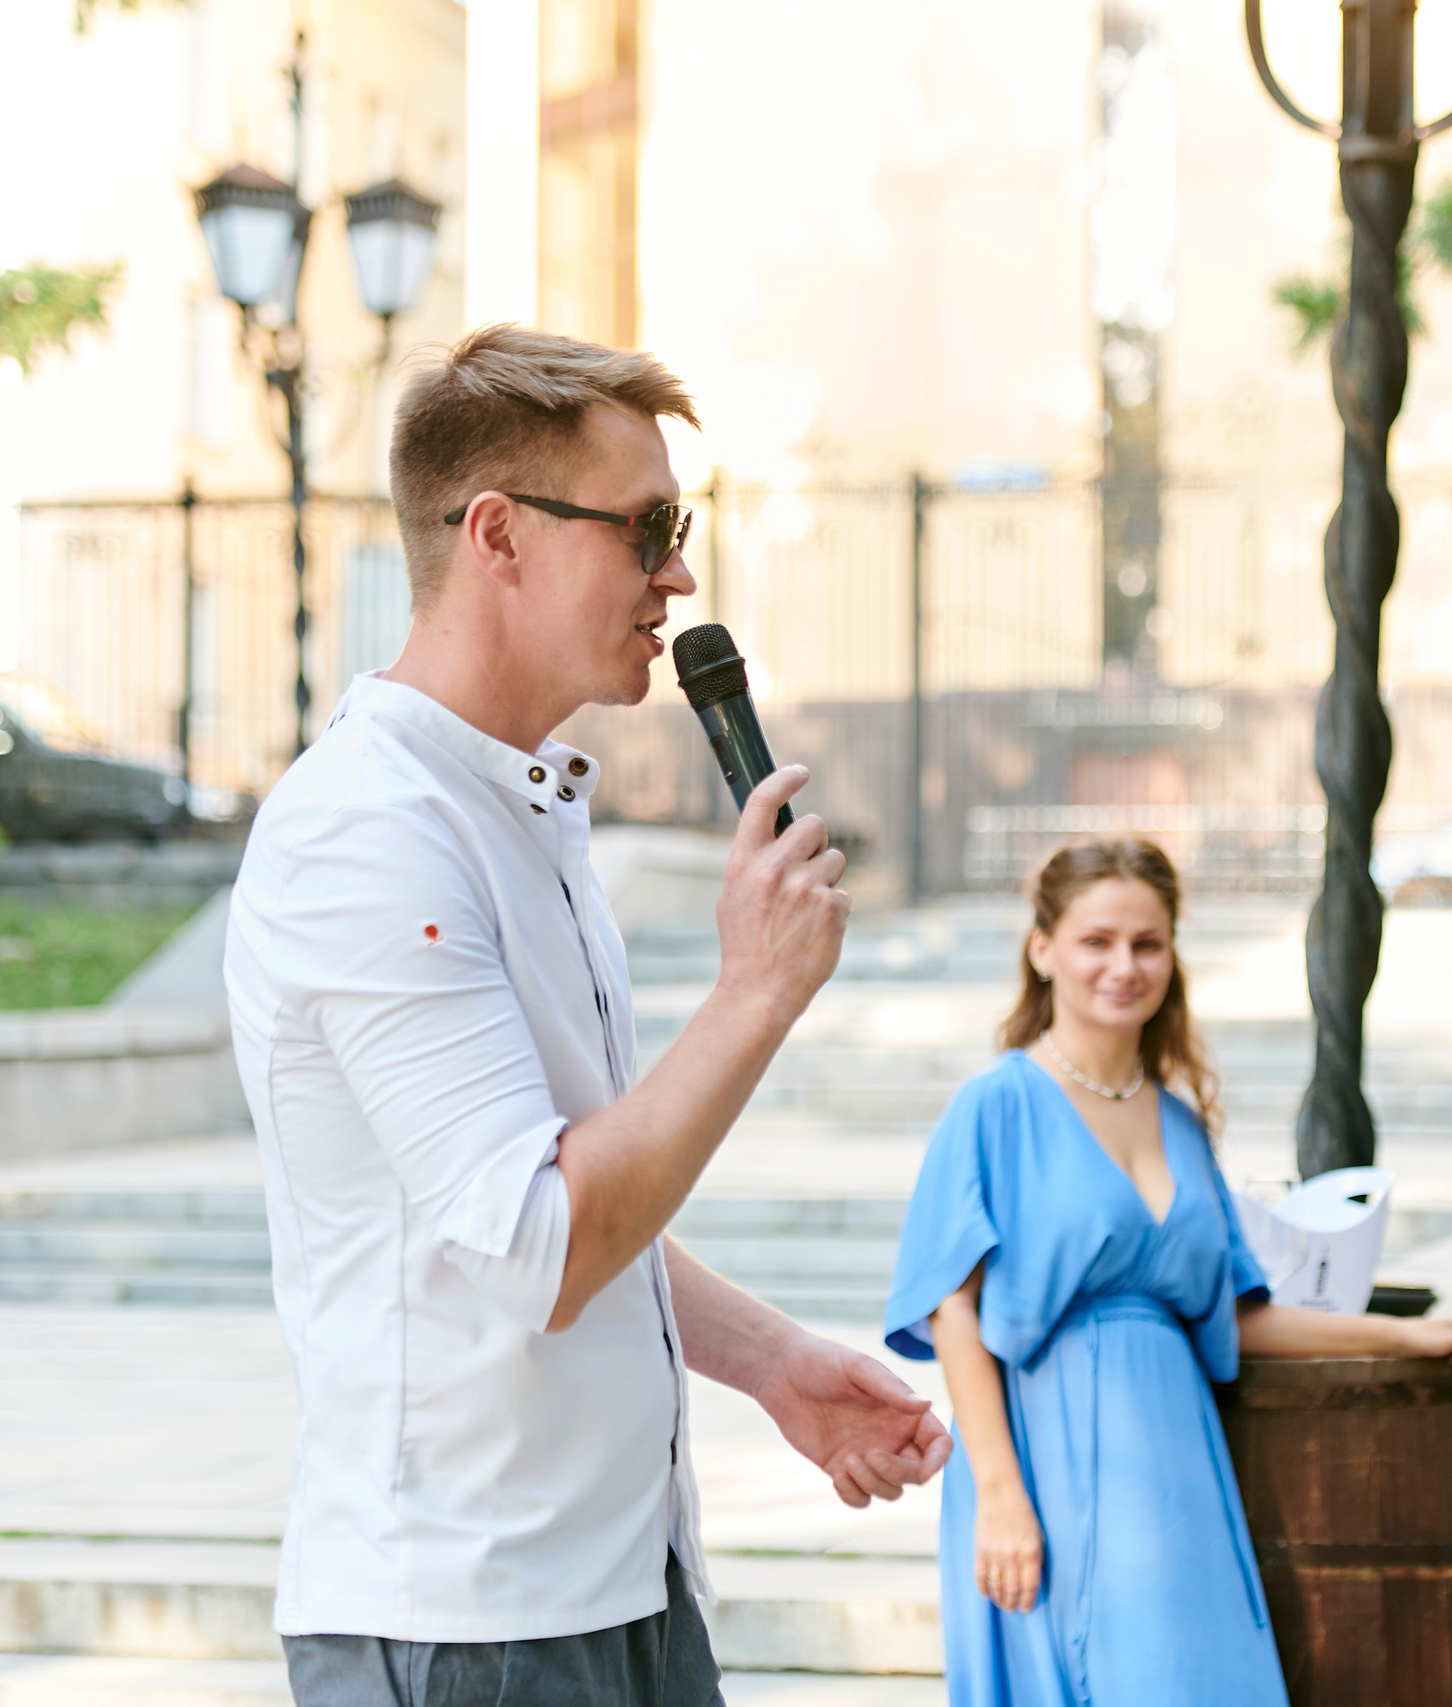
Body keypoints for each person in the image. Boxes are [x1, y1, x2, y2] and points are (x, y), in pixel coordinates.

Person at [226, 324, 949, 1707]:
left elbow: (555, 1195)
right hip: (469, 1617)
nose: (679, 571)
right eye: (648, 527)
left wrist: (773, 1359)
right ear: (497, 535)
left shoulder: (521, 802)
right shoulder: (370, 831)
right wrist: (753, 995)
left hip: (623, 1577)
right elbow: (541, 1239)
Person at [883, 838, 1452, 1707]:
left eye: (1148, 942)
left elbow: (1238, 1316)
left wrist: (1407, 1333)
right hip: (1042, 1455)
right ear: (1043, 947)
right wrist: (999, 1493)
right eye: (1097, 940)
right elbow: (952, 1305)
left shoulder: (1179, 1124)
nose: (1123, 964)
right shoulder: (997, 1104)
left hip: (1180, 1467)